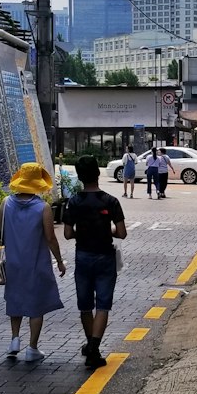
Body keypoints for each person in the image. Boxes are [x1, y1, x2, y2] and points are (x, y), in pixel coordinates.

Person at [63, 155, 127, 369]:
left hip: (82, 256)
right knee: (103, 305)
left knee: (85, 306)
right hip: (105, 257)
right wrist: (105, 229)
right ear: (98, 174)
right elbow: (122, 233)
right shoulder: (110, 201)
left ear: (80, 177)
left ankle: (92, 346)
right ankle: (93, 348)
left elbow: (67, 234)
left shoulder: (73, 202)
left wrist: (83, 231)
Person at [1, 163, 66, 364]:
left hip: (13, 262)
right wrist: (59, 261)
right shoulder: (43, 208)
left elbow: (1, 231)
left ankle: (14, 340)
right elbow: (50, 238)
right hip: (36, 263)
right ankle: (32, 348)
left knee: (15, 301)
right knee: (36, 306)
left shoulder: (5, 203)